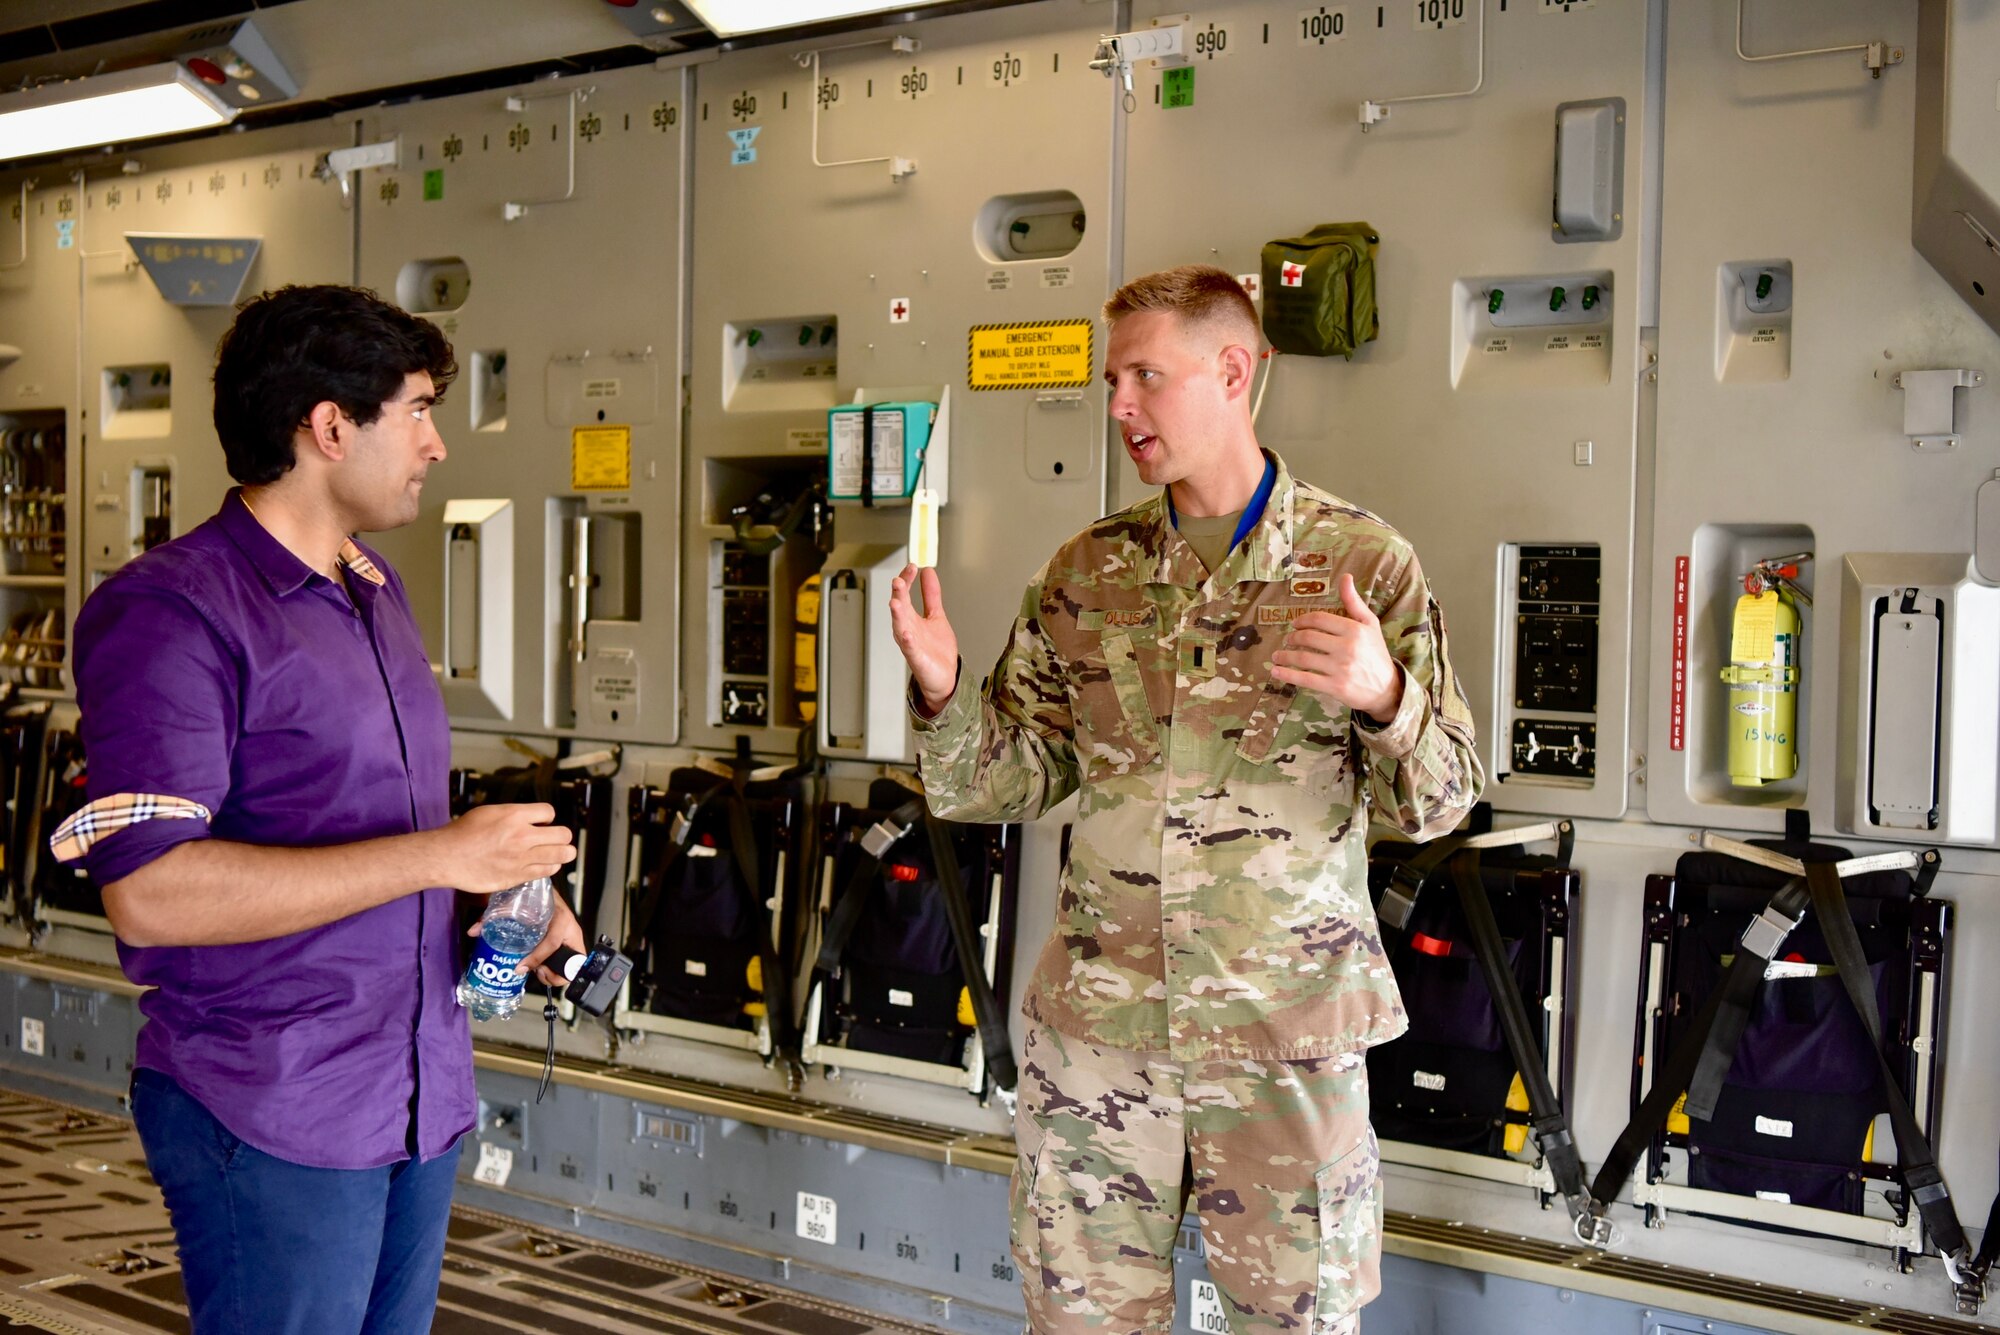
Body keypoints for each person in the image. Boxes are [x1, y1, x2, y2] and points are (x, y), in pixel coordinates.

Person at [888, 265, 1483, 1333]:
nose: (1118, 406)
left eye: (1143, 376)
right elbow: (1002, 780)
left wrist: (1381, 695)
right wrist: (939, 688)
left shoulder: (1359, 564)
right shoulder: (1087, 573)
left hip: (1278, 1040)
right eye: (1111, 380)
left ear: (1232, 370)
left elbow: (1439, 803)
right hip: (1099, 1040)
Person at [48, 284, 582, 1334]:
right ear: (330, 427)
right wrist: (439, 857)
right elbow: (152, 894)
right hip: (272, 1107)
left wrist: (509, 896)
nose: (436, 444)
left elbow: (369, 822)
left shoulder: (368, 585)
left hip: (413, 1094)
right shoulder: (171, 613)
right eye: (418, 409)